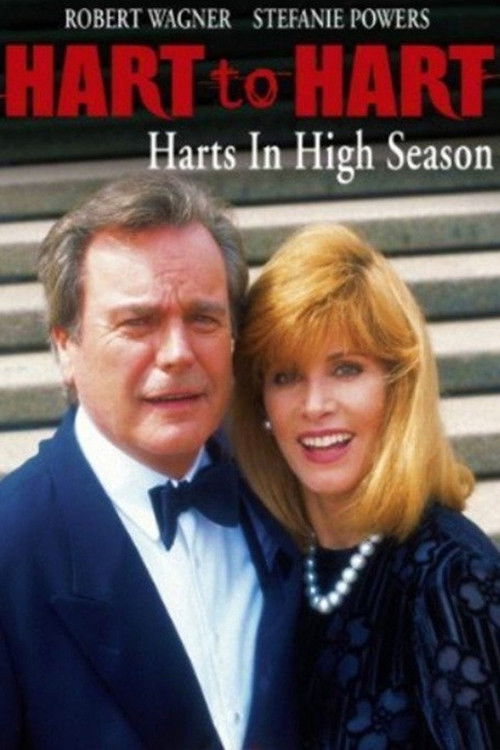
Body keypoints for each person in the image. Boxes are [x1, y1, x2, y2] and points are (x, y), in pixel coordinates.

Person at [0, 174, 301, 750]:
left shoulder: (287, 492)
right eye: (137, 323)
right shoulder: (12, 550)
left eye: (203, 318)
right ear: (65, 347)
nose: (177, 354)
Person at [232, 223, 500, 749]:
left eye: (346, 369)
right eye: (286, 376)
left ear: (397, 387)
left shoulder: (452, 580)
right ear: (261, 403)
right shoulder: (282, 566)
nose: (315, 405)